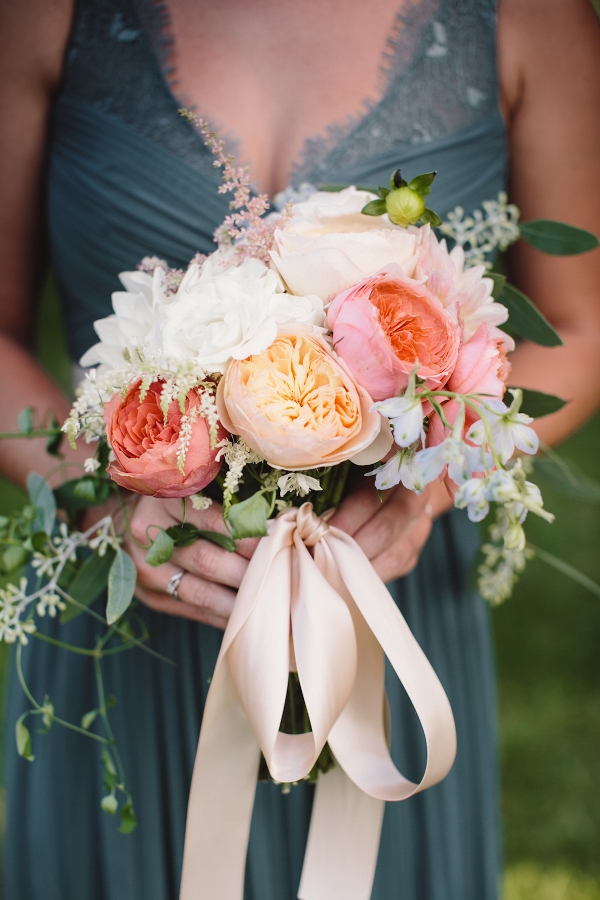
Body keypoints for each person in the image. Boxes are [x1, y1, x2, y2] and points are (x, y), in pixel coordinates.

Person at [0, 1, 599, 898]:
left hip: (386, 626)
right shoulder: (42, 16)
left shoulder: (530, 18)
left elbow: (583, 322)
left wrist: (427, 488)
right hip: (128, 626)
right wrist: (104, 487)